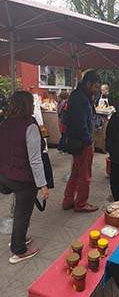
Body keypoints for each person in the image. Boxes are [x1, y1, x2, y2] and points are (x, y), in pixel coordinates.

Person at [0, 91, 49, 264]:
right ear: (27, 106)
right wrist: (43, 185)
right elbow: (35, 160)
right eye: (32, 104)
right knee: (22, 213)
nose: (34, 106)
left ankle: (18, 238)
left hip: (6, 175)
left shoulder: (5, 124)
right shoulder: (30, 127)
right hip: (23, 178)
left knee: (19, 211)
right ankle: (19, 250)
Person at [62, 70, 100, 212]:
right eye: (95, 87)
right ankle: (81, 203)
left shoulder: (81, 96)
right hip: (82, 142)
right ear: (88, 83)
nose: (96, 90)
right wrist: (88, 141)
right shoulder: (81, 98)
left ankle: (68, 200)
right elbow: (80, 123)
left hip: (76, 141)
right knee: (85, 175)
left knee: (76, 172)